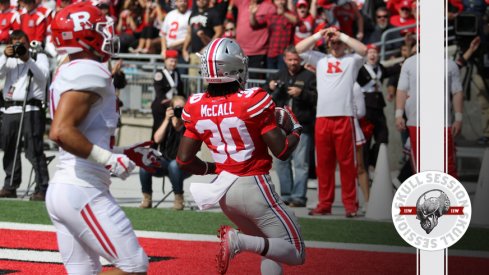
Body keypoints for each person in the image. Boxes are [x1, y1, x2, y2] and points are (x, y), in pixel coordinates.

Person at [46, 2, 159, 274]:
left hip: (68, 185)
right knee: (134, 266)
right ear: (82, 34)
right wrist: (109, 159)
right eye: (99, 27)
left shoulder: (71, 67)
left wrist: (125, 151)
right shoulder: (89, 69)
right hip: (82, 188)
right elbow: (61, 131)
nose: (107, 31)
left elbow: (83, 133)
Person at [177, 38, 305, 275]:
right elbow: (282, 151)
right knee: (295, 250)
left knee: (270, 247)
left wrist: (214, 168)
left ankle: (243, 241)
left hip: (225, 192)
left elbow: (184, 160)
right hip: (254, 185)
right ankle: (239, 241)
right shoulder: (252, 99)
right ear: (236, 67)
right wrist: (296, 130)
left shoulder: (195, 105)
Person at [296, 26, 367, 217]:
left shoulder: (352, 60)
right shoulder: (320, 59)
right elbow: (299, 49)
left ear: (344, 44)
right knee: (324, 164)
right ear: (327, 44)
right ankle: (324, 203)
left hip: (344, 117)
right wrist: (320, 34)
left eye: (338, 43)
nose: (335, 45)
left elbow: (364, 50)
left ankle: (350, 206)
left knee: (347, 164)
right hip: (322, 118)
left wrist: (342, 35)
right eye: (332, 42)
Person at [395, 51, 463, 178]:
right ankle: (423, 196)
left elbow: (457, 91)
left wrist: (458, 118)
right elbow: (402, 90)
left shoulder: (449, 64)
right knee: (420, 168)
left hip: (442, 123)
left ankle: (451, 197)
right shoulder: (410, 63)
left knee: (448, 166)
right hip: (416, 122)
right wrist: (398, 114)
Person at [0, 30, 50, 200]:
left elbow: (43, 76)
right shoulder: (9, 60)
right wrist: (5, 57)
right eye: (14, 43)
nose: (17, 46)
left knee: (33, 150)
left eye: (20, 42)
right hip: (10, 109)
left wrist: (27, 58)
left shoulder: (38, 56)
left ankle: (42, 187)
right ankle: (10, 185)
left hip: (31, 108)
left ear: (27, 42)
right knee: (9, 149)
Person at [265, 45, 317, 208]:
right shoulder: (277, 75)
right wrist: (270, 87)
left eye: (296, 59)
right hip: (280, 127)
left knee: (301, 163)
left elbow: (317, 98)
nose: (293, 62)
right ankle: (286, 195)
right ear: (284, 59)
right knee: (281, 161)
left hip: (302, 126)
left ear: (300, 59)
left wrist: (301, 93)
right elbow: (265, 98)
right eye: (290, 59)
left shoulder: (309, 76)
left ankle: (299, 197)